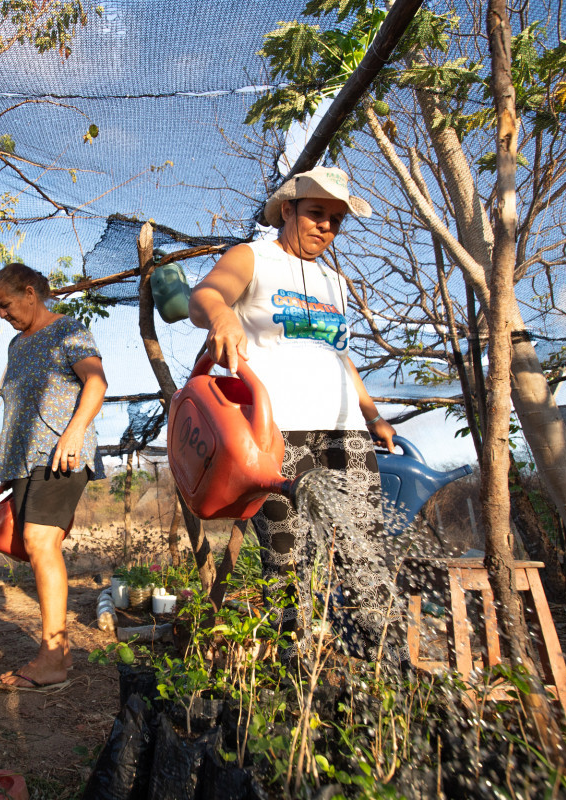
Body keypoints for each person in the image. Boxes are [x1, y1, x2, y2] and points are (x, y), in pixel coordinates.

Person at [188, 165, 397, 657]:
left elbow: (339, 354)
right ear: (288, 210)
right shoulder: (252, 258)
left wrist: (372, 415)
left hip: (344, 432)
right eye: (317, 214)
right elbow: (205, 296)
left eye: (336, 220)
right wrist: (221, 314)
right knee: (287, 555)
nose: (326, 226)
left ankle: (377, 663)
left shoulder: (333, 282)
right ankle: (290, 663)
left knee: (363, 552)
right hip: (275, 433)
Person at [0, 262, 107, 689]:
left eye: (4, 305)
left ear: (29, 293)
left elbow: (96, 383)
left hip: (60, 452)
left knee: (40, 541)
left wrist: (74, 432)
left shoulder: (68, 329)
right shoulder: (16, 345)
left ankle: (52, 657)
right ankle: (60, 651)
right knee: (38, 545)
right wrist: (7, 469)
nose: (0, 313)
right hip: (23, 460)